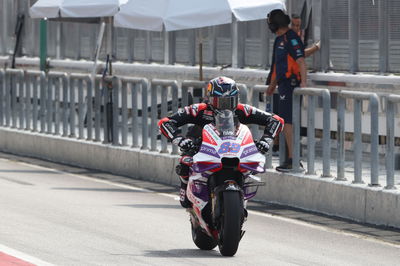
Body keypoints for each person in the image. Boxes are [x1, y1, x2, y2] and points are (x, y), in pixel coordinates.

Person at [158, 76, 284, 208]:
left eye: (230, 101)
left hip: (234, 149)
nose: (226, 106)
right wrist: (181, 140)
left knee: (253, 164)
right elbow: (166, 123)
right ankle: (185, 184)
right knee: (185, 161)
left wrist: (265, 140)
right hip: (202, 148)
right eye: (220, 101)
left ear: (236, 99)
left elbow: (276, 120)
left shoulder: (243, 109)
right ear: (210, 99)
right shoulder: (199, 109)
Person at [265, 9, 307, 172]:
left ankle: (293, 158)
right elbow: (277, 66)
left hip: (290, 85)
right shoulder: (279, 40)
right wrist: (272, 85)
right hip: (281, 85)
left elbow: (301, 61)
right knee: (283, 122)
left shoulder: (291, 38)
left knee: (287, 122)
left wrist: (303, 82)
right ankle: (290, 157)